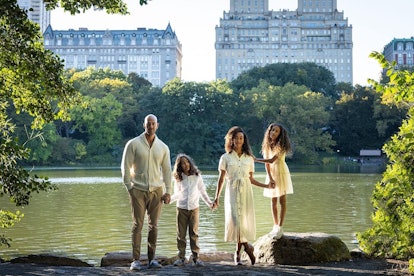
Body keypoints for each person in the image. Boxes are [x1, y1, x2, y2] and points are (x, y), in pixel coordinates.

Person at [212, 126, 274, 266]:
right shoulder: (225, 157)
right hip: (232, 192)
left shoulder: (249, 158)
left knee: (243, 222)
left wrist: (267, 186)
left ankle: (237, 254)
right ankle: (248, 248)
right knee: (236, 221)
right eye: (236, 138)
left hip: (246, 192)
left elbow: (251, 179)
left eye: (241, 138)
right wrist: (216, 197)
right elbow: (221, 179)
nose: (239, 140)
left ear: (244, 140)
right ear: (231, 140)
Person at [121, 114, 172, 271]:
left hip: (157, 190)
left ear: (157, 125)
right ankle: (136, 260)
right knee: (137, 225)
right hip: (138, 189)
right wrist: (129, 187)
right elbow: (125, 166)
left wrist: (168, 191)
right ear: (144, 125)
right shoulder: (134, 144)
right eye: (148, 124)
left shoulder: (163, 147)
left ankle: (151, 259)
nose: (150, 126)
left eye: (153, 124)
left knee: (154, 226)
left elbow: (167, 170)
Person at [170, 154, 213, 267]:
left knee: (194, 234)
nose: (185, 165)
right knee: (181, 235)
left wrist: (209, 203)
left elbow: (202, 191)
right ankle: (181, 258)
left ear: (190, 163)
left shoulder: (197, 176)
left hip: (194, 208)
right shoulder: (179, 177)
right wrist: (169, 200)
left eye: (187, 162)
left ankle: (195, 258)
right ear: (179, 166)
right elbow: (177, 193)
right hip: (182, 208)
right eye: (182, 163)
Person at [254, 123, 293, 239]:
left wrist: (255, 159)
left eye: (276, 131)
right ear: (269, 132)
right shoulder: (267, 145)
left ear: (280, 134)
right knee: (273, 200)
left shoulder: (281, 145)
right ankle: (275, 226)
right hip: (272, 173)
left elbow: (271, 160)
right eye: (272, 130)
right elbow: (267, 164)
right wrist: (270, 178)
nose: (273, 133)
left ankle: (280, 227)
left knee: (282, 200)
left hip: (281, 171)